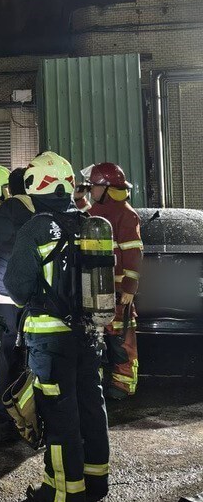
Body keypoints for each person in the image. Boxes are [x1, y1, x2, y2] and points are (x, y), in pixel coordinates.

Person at [5, 152, 109, 502]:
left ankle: (64, 493)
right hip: (90, 334)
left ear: (34, 186)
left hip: (51, 340)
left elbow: (17, 287)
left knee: (59, 413)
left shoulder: (36, 228)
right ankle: (97, 478)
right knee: (91, 404)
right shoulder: (88, 224)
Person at [76, 162, 143, 399]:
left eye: (93, 186)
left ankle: (124, 383)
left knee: (121, 340)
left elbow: (134, 254)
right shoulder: (97, 210)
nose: (90, 190)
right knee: (97, 336)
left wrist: (130, 288)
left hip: (117, 291)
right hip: (96, 287)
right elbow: (85, 218)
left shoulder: (126, 214)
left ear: (106, 188)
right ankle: (100, 382)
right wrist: (79, 200)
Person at [0, 168, 34, 439]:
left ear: (9, 189)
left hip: (1, 298)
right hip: (34, 298)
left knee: (4, 357)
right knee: (33, 355)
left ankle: (3, 417)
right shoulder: (42, 213)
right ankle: (31, 413)